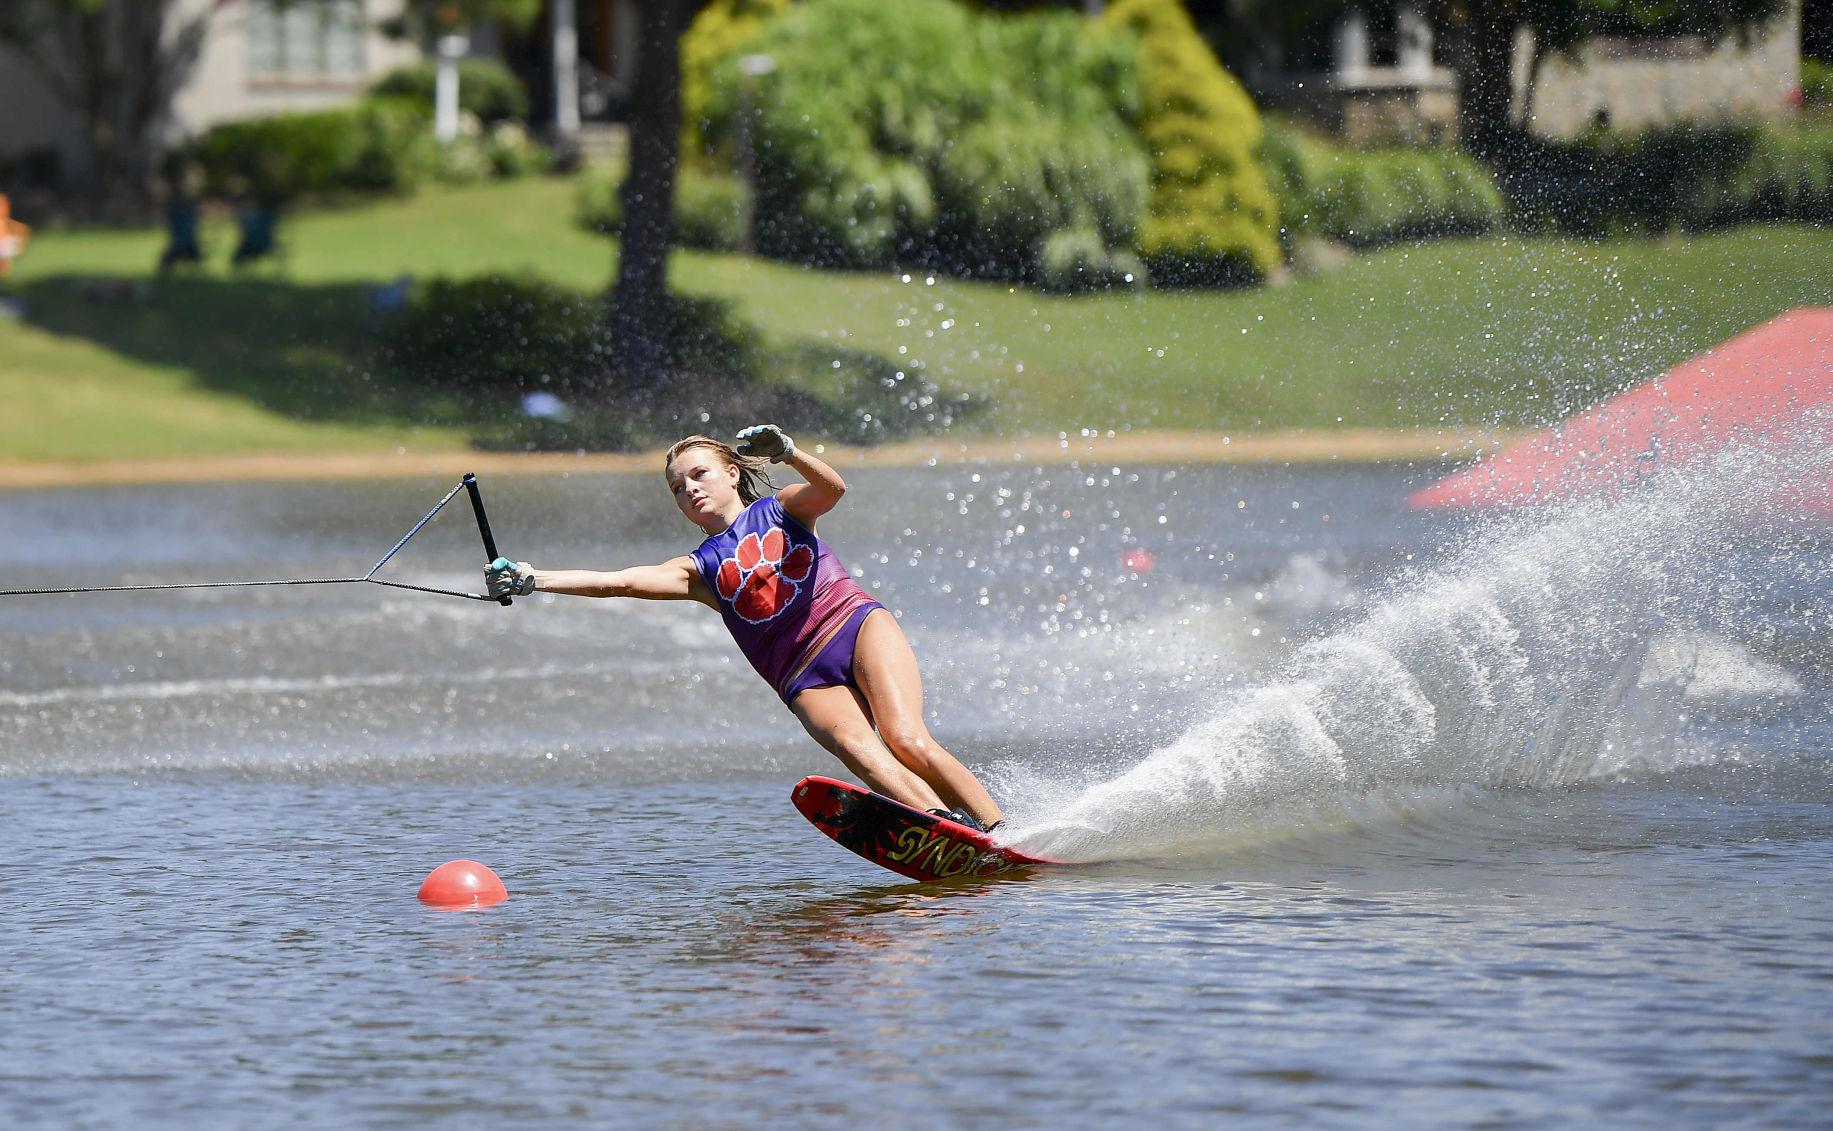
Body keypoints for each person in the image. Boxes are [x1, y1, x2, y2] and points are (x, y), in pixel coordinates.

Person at [484, 425, 1005, 833]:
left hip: (854, 625)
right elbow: (615, 581)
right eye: (677, 487)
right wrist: (534, 578)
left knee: (905, 737)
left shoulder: (781, 511)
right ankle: (947, 828)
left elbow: (833, 488)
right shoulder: (697, 570)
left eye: (699, 474)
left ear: (732, 473)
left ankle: (999, 828)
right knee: (858, 748)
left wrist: (789, 452)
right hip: (802, 676)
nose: (689, 489)